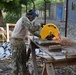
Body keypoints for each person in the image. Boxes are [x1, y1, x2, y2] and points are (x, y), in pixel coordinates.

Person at [10, 9, 40, 75]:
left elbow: (33, 32)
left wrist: (43, 36)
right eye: (34, 17)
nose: (34, 19)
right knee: (16, 62)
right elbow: (32, 28)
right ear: (31, 16)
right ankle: (15, 73)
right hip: (16, 41)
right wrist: (39, 26)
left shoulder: (27, 21)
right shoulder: (24, 19)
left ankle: (24, 72)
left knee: (23, 60)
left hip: (20, 41)